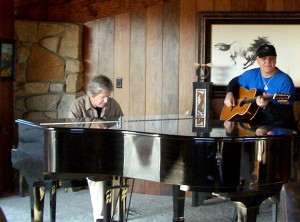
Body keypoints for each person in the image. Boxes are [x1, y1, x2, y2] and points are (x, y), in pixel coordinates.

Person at [69, 75, 123, 222]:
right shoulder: (77, 105)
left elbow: (122, 126)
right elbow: (71, 133)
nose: (106, 101)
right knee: (98, 177)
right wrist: (90, 125)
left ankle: (115, 214)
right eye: (103, 97)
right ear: (92, 94)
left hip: (109, 149)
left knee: (119, 174)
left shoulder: (113, 104)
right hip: (86, 151)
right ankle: (100, 216)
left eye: (108, 97)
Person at [223, 44, 296, 129]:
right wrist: (229, 93)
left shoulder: (285, 80)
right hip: (254, 117)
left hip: (275, 120)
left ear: (275, 59)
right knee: (232, 123)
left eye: (271, 58)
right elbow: (234, 82)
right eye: (264, 58)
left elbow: (286, 114)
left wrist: (267, 106)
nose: (268, 62)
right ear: (257, 60)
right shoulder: (250, 75)